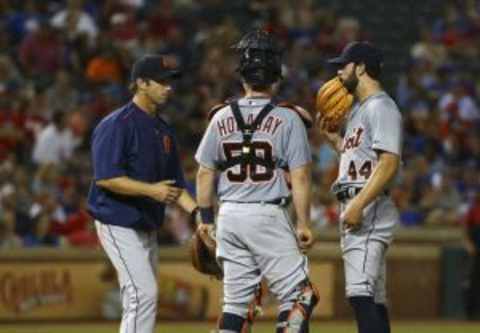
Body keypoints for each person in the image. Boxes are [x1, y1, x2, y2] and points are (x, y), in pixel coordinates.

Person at [195, 29, 319, 333]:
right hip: (266, 214)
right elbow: (300, 176)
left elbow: (204, 172)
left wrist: (206, 218)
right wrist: (303, 222)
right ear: (276, 76)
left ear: (242, 77)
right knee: (299, 295)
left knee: (236, 304)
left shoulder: (220, 116)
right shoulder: (289, 118)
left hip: (230, 216)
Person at [87, 54, 198, 333]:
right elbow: (106, 179)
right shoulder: (116, 124)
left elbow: (175, 187)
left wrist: (199, 215)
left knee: (141, 296)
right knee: (143, 293)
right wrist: (153, 191)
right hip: (117, 220)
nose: (168, 87)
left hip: (146, 222)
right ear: (141, 83)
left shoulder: (163, 129)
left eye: (170, 82)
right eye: (161, 82)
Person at [319, 41, 403, 333]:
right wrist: (337, 144)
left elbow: (389, 162)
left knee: (359, 293)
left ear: (362, 67)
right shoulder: (359, 110)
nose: (339, 71)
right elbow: (366, 158)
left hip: (367, 206)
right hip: (361, 202)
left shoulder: (381, 106)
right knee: (373, 296)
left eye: (345, 64)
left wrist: (358, 204)